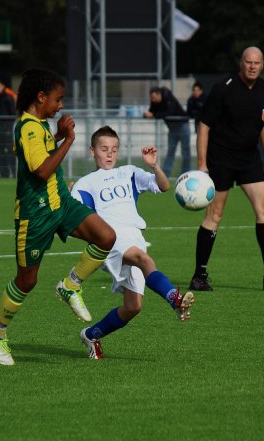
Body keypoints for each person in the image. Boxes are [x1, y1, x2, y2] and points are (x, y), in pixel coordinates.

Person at [0, 68, 116, 366]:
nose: (60, 106)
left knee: (106, 237)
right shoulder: (27, 127)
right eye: (57, 100)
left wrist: (56, 136)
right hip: (35, 215)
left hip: (61, 203)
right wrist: (67, 139)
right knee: (26, 281)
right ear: (40, 97)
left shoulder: (40, 124)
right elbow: (41, 170)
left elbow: (43, 153)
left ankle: (71, 284)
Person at [70, 126, 194, 359]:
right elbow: (76, 218)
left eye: (114, 150)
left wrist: (154, 166)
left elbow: (164, 186)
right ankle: (174, 299)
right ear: (92, 151)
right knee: (143, 259)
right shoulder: (85, 183)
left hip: (134, 236)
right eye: (104, 149)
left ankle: (91, 335)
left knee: (133, 307)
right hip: (111, 239)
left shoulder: (128, 172)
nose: (109, 154)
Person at [189, 46, 264, 292]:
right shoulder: (223, 88)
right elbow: (204, 127)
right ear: (241, 63)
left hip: (249, 159)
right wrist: (202, 165)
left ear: (262, 64)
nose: (252, 66)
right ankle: (199, 276)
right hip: (221, 159)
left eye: (257, 63)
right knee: (214, 215)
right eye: (248, 62)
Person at [143, 86, 191, 177]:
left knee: (185, 152)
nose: (153, 100)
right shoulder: (155, 101)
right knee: (170, 152)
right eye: (151, 98)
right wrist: (146, 114)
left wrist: (153, 115)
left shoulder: (168, 97)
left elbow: (168, 112)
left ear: (159, 94)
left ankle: (186, 174)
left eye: (154, 98)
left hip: (183, 126)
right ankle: (164, 176)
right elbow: (152, 111)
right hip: (172, 129)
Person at [0, 79, 17, 178]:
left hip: (6, 129)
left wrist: (8, 127)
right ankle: (3, 173)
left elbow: (12, 114)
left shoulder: (8, 98)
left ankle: (13, 172)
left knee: (10, 151)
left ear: (3, 87)